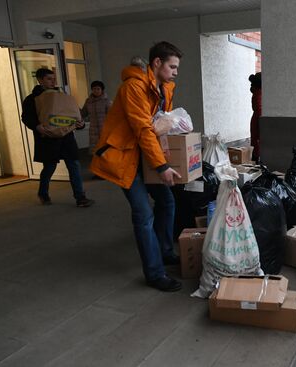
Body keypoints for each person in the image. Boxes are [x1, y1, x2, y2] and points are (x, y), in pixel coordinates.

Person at [90, 41, 183, 292]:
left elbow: (161, 124)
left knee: (167, 201)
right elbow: (143, 129)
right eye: (172, 66)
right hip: (125, 158)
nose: (175, 71)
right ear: (156, 63)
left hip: (144, 157)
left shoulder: (163, 88)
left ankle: (165, 252)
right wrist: (162, 166)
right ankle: (154, 273)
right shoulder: (133, 87)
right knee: (144, 215)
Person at [21, 68, 94, 207]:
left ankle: (80, 197)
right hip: (47, 138)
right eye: (49, 78)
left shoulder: (62, 96)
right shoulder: (32, 99)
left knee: (74, 165)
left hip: (66, 138)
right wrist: (37, 126)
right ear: (40, 80)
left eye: (54, 78)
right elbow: (26, 117)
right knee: (49, 167)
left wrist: (80, 123)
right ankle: (43, 193)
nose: (53, 81)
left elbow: (73, 115)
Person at [81, 81, 111, 154]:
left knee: (106, 150)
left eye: (98, 89)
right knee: (95, 150)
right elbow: (83, 113)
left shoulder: (107, 101)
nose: (96, 91)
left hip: (104, 128)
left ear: (102, 90)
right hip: (93, 129)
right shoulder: (88, 101)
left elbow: (111, 115)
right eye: (94, 89)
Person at [249, 72, 262, 162]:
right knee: (257, 140)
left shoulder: (257, 91)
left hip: (256, 118)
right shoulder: (259, 92)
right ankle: (256, 160)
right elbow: (259, 107)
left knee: (255, 140)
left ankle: (255, 159)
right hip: (259, 118)